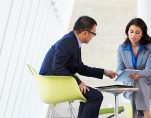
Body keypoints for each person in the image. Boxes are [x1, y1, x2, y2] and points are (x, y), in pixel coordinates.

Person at [39, 16, 117, 118]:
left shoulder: (73, 41)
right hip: (52, 84)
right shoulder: (68, 42)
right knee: (95, 96)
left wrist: (104, 72)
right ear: (85, 32)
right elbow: (57, 67)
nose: (92, 37)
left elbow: (81, 68)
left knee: (90, 96)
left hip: (55, 82)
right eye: (93, 34)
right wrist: (78, 82)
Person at [116, 18, 151, 118]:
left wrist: (138, 75)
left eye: (137, 32)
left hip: (148, 85)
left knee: (138, 81)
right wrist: (125, 75)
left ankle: (145, 114)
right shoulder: (121, 48)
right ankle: (146, 114)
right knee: (136, 84)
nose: (133, 35)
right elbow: (119, 69)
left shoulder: (149, 48)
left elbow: (149, 70)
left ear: (143, 34)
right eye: (131, 32)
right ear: (127, 32)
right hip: (131, 85)